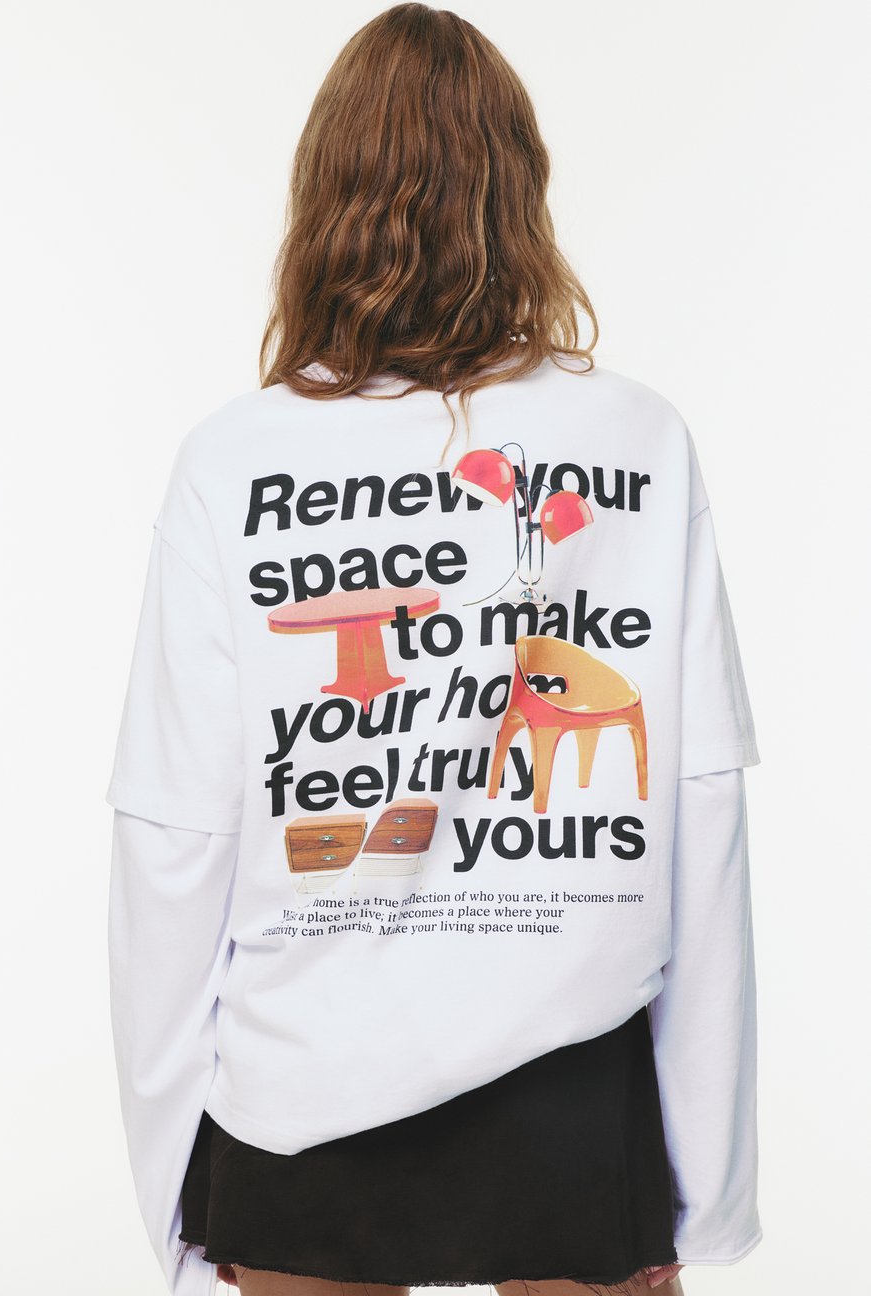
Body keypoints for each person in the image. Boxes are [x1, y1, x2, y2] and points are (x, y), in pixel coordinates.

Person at [105, 6, 763, 1295]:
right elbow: (700, 806)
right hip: (574, 1070)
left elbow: (173, 835)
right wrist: (707, 1183)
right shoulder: (636, 441)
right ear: (521, 191)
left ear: (324, 195)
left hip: (300, 1076)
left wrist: (174, 1182)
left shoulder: (236, 460)